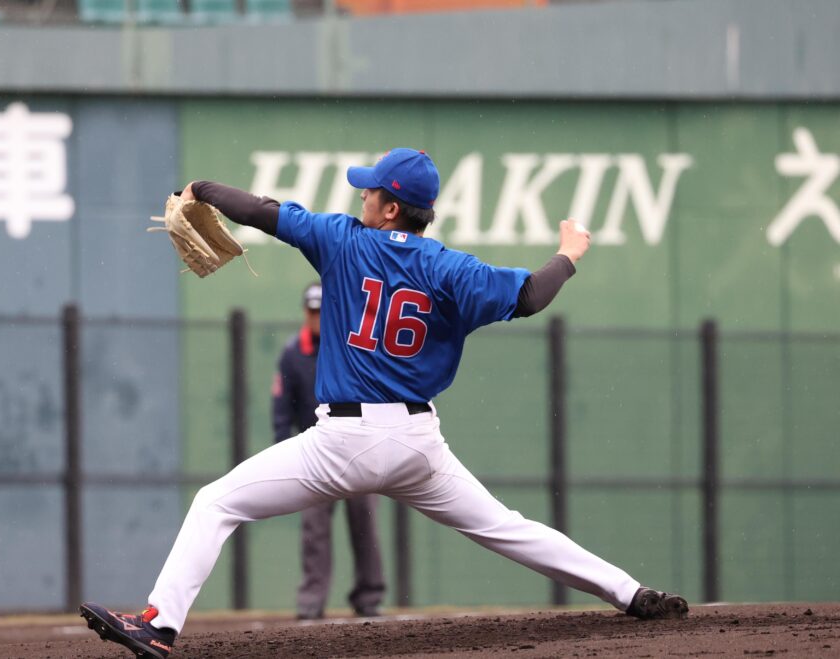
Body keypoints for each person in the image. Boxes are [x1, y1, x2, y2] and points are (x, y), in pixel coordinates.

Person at [80, 148, 689, 659]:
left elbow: (262, 212)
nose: (362, 196)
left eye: (370, 191)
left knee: (215, 503)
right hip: (418, 444)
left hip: (342, 442)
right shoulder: (450, 266)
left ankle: (159, 626)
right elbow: (529, 296)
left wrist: (201, 188)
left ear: (391, 207)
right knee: (507, 528)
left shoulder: (343, 241)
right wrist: (569, 254)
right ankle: (631, 593)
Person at [273, 282, 386, 620]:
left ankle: (369, 597)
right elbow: (282, 410)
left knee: (365, 526)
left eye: (322, 311)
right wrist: (285, 454)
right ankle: (311, 601)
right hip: (315, 456)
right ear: (305, 313)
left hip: (358, 449)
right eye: (312, 312)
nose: (317, 318)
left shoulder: (353, 345)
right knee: (315, 532)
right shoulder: (293, 354)